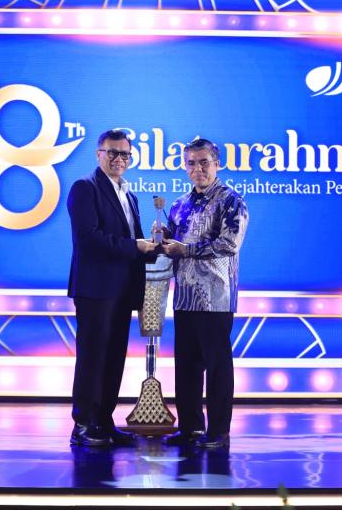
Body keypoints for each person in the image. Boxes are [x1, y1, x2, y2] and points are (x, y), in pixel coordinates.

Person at [67, 129, 157, 447]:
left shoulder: (129, 194)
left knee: (114, 357)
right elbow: (89, 238)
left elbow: (133, 240)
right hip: (96, 289)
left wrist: (154, 245)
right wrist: (136, 246)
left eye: (125, 154)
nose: (119, 159)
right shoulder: (85, 188)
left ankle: (103, 422)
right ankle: (83, 425)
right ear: (99, 154)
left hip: (123, 290)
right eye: (113, 152)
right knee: (92, 357)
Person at [160, 138, 248, 449]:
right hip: (184, 295)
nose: (197, 168)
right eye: (191, 163)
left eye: (204, 162)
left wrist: (185, 249)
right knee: (186, 365)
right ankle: (190, 428)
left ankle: (219, 432)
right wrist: (162, 240)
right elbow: (172, 244)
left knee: (217, 366)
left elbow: (230, 244)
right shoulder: (178, 204)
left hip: (216, 296)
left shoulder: (231, 201)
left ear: (217, 164)